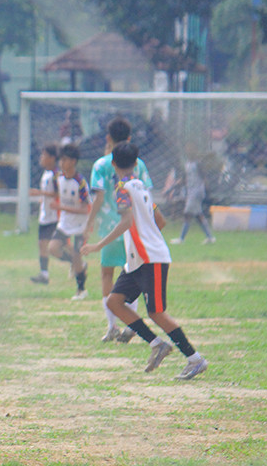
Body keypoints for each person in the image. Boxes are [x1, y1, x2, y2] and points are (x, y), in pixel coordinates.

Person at [81, 142, 208, 380]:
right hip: (139, 260)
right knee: (115, 302)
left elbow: (127, 222)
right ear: (135, 162)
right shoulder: (141, 186)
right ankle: (157, 344)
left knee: (156, 312)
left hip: (150, 259)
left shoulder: (122, 189)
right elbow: (159, 220)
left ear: (114, 164)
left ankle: (195, 359)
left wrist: (98, 245)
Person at [84, 117, 150, 342]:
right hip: (134, 228)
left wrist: (89, 223)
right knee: (131, 274)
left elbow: (99, 197)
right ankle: (132, 325)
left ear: (108, 138)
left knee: (107, 274)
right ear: (130, 139)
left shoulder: (102, 164)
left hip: (110, 228)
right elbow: (147, 194)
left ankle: (112, 326)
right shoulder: (139, 163)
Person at [49, 143, 91, 300]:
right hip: (65, 224)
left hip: (80, 225)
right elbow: (57, 193)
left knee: (77, 255)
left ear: (73, 161)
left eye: (65, 160)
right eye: (60, 160)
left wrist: (61, 207)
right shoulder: (58, 177)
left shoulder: (80, 182)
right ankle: (76, 264)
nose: (61, 163)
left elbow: (85, 209)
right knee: (53, 248)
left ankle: (81, 290)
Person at [171, 145, 216, 245]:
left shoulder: (198, 164)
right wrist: (172, 188)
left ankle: (181, 239)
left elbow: (204, 177)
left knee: (187, 213)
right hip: (191, 191)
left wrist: (207, 191)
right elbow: (184, 179)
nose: (188, 152)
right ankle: (210, 237)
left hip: (197, 192)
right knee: (199, 215)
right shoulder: (187, 164)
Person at [29, 143, 60, 284]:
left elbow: (58, 193)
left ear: (52, 158)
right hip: (45, 215)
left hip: (54, 216)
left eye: (44, 155)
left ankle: (77, 263)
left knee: (57, 246)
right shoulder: (46, 173)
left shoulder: (55, 174)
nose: (41, 158)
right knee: (42, 244)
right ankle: (44, 274)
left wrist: (40, 193)